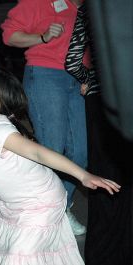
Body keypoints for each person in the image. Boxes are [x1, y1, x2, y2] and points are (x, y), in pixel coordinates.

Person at [0, 68, 120, 264]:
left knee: (18, 258)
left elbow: (38, 153)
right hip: (15, 206)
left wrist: (83, 175)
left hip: (40, 203)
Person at [1, 0, 88, 235]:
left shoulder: (90, 8)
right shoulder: (38, 2)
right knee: (53, 149)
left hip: (79, 79)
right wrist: (42, 37)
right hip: (46, 75)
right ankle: (50, 212)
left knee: (81, 151)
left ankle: (60, 205)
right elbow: (10, 36)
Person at [65, 3, 132, 264]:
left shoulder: (92, 9)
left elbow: (72, 60)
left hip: (102, 99)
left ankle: (101, 256)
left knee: (104, 180)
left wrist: (89, 78)